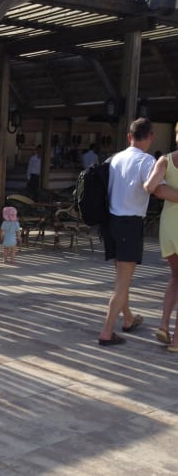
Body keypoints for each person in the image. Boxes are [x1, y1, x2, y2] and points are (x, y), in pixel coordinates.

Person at [98, 117, 155, 346]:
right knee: (122, 283)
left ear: (129, 136)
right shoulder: (147, 161)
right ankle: (106, 332)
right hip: (130, 224)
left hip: (111, 223)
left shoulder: (115, 158)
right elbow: (154, 187)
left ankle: (129, 319)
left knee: (122, 277)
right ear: (151, 137)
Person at [144, 122, 178, 352]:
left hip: (169, 226)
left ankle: (164, 324)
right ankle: (176, 341)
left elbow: (150, 186)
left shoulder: (165, 160)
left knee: (175, 277)